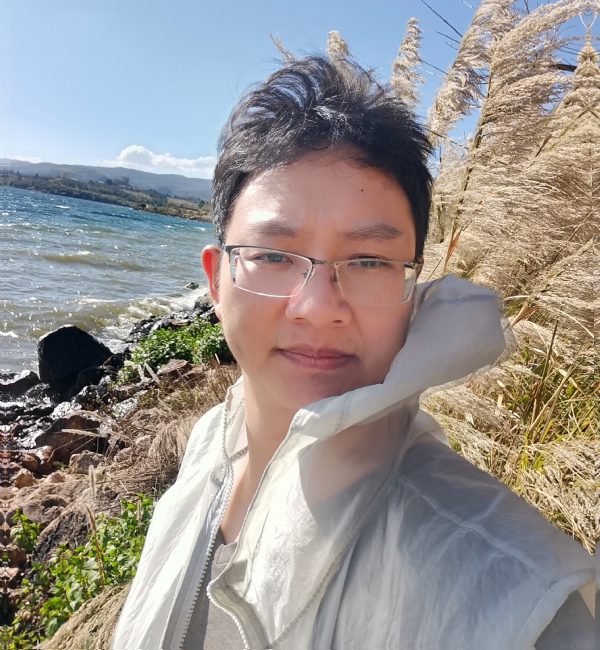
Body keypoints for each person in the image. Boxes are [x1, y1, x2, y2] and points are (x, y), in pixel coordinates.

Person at [113, 57, 595, 650]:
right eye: (273, 255)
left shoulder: (518, 596)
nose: (319, 306)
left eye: (369, 261)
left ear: (413, 287)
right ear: (216, 281)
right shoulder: (210, 443)